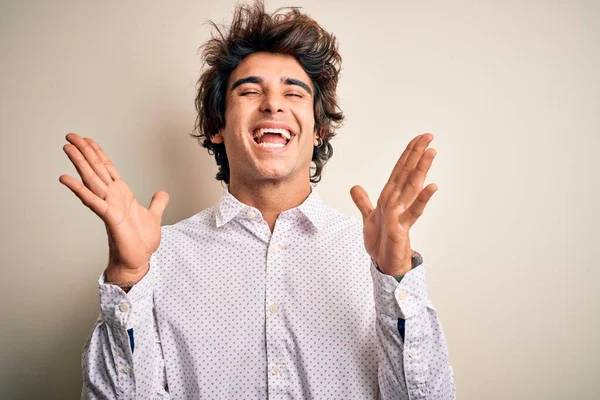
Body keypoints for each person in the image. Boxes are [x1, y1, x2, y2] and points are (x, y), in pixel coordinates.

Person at [60, 3, 455, 399]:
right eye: (250, 90)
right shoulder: (156, 261)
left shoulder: (375, 258)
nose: (272, 104)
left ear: (318, 130)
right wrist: (127, 276)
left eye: (293, 92)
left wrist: (396, 275)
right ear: (216, 127)